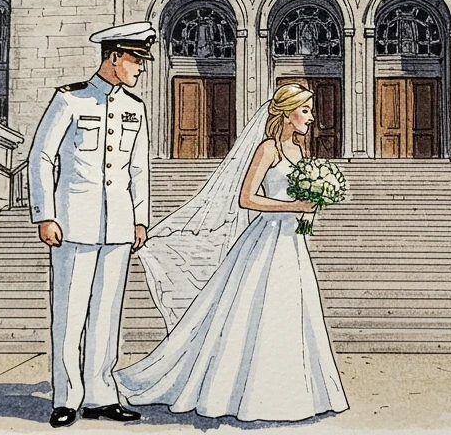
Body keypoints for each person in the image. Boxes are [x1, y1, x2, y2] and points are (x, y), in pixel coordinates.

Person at [115, 83, 349, 422]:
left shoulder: (298, 151)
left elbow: (296, 199)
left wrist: (309, 208)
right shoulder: (268, 150)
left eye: (311, 111)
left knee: (291, 312)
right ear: (286, 113)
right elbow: (246, 199)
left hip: (291, 242)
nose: (311, 118)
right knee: (255, 310)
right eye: (306, 110)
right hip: (265, 240)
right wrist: (291, 206)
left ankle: (289, 394)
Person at [27, 22, 155, 429]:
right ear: (114, 57)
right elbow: (41, 158)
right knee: (69, 314)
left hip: (117, 225)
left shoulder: (135, 108)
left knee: (105, 314)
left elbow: (138, 168)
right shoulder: (70, 100)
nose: (140, 68)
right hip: (74, 223)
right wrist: (45, 214)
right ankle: (66, 397)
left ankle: (100, 395)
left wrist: (139, 218)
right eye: (135, 59)